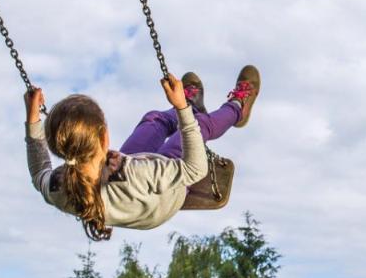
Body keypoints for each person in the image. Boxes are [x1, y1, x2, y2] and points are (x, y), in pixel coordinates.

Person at [25, 66, 259, 239]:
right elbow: (195, 168)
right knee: (198, 127)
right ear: (105, 137)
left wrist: (33, 119)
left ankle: (193, 107)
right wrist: (181, 109)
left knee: (154, 119)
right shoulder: (139, 172)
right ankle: (238, 108)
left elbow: (39, 174)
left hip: (135, 191)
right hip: (164, 198)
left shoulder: (59, 186)